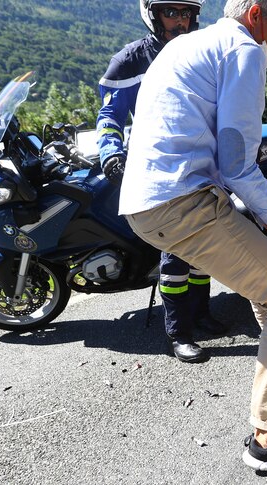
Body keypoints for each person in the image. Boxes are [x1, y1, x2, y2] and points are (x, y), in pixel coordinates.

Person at [118, 0, 267, 473]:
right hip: (182, 201)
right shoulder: (245, 49)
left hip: (147, 201)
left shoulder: (191, 44)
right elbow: (237, 164)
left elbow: (226, 160)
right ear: (256, 14)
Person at [96, 0, 222, 364]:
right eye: (172, 12)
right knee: (176, 253)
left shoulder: (199, 52)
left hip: (202, 163)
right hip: (160, 168)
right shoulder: (132, 59)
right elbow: (110, 114)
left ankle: (201, 314)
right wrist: (111, 152)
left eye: (186, 13)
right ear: (152, 14)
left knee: (204, 250)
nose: (181, 21)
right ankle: (178, 333)